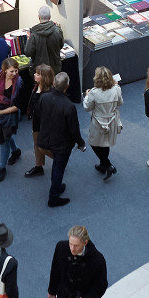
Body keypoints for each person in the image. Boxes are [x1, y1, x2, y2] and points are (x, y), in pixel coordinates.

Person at [35, 71, 84, 207]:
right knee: (58, 168)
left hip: (44, 140)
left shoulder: (44, 97)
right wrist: (80, 143)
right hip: (61, 145)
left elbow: (38, 115)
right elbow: (74, 130)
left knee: (57, 168)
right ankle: (53, 197)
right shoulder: (69, 106)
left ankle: (56, 186)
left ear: (53, 83)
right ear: (67, 86)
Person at [82, 66, 123, 179]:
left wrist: (86, 97)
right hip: (112, 121)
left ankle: (107, 165)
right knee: (105, 143)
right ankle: (103, 165)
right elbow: (120, 103)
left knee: (93, 143)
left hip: (98, 123)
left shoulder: (94, 93)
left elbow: (87, 107)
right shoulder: (116, 89)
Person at [0, 58, 24, 179]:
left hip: (9, 114)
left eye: (16, 71)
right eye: (12, 71)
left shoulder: (19, 83)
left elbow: (17, 106)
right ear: (5, 70)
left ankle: (2, 168)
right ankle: (16, 151)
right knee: (6, 135)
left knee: (4, 140)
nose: (14, 74)